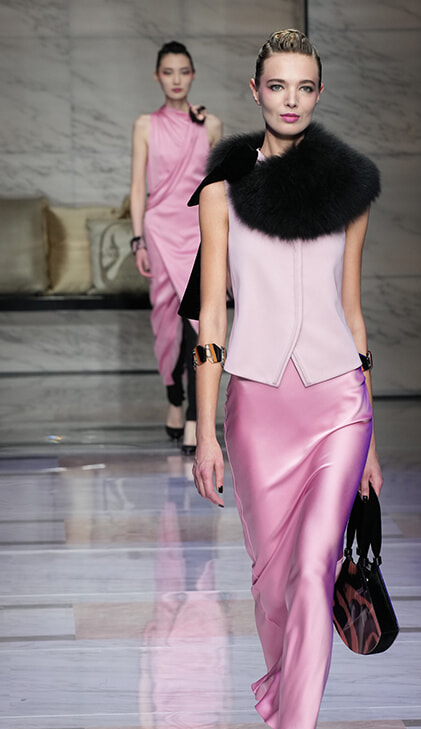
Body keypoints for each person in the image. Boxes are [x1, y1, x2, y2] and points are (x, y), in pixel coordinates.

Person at [183, 30, 382, 729]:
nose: (290, 99)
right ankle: (294, 705)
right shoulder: (222, 193)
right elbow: (212, 316)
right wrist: (204, 432)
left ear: (318, 94)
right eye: (277, 85)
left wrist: (374, 441)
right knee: (272, 588)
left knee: (311, 573)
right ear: (256, 91)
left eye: (304, 86)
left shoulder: (350, 190)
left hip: (338, 403)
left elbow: (354, 313)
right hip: (258, 403)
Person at [130, 40, 222, 454]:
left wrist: (224, 244)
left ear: (193, 75)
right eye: (168, 72)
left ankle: (195, 419)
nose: (176, 79)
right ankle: (173, 396)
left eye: (184, 71)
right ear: (157, 77)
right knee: (166, 325)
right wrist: (137, 239)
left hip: (198, 231)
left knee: (199, 322)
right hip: (159, 230)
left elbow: (219, 189)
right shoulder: (144, 125)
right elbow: (137, 187)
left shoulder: (211, 125)